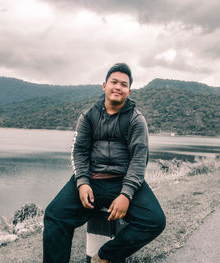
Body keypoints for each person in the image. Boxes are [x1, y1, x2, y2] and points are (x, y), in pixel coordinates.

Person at [43, 63, 166, 263]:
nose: (118, 87)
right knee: (54, 216)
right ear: (104, 86)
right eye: (114, 82)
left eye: (123, 84)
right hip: (93, 180)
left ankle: (104, 257)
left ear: (129, 91)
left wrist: (126, 194)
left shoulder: (136, 120)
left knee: (154, 221)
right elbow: (79, 151)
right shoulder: (88, 116)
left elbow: (139, 158)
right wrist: (82, 182)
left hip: (123, 181)